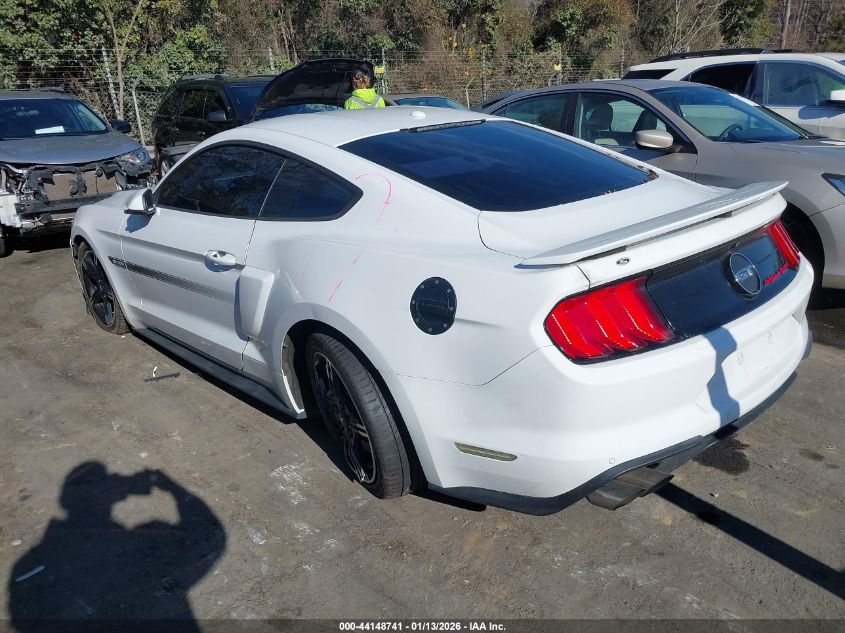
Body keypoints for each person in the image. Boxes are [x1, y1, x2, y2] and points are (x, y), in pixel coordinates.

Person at [9, 462, 225, 631]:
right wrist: (175, 489)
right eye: (105, 481)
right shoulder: (130, 546)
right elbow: (209, 540)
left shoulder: (29, 564)